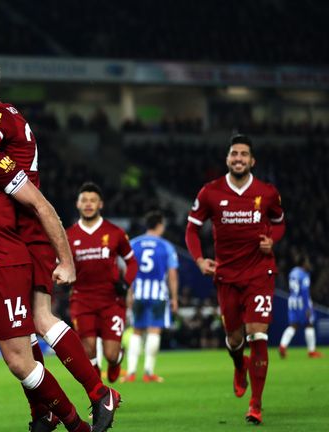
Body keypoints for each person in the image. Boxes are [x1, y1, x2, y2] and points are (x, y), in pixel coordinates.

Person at [0, 57, 118, 432]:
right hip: (4, 230)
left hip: (25, 228)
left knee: (40, 319)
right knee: (23, 335)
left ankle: (98, 392)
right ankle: (45, 411)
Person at [185, 133, 285, 425]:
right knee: (234, 337)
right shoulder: (210, 192)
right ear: (227, 159)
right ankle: (238, 365)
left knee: (258, 334)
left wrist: (272, 241)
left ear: (252, 160)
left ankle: (256, 404)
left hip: (260, 273)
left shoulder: (267, 192)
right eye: (234, 154)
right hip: (226, 275)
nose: (238, 158)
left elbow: (279, 223)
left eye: (244, 154)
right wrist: (200, 259)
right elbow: (192, 230)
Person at [66, 182, 138, 385]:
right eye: (84, 200)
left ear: (101, 205)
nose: (88, 204)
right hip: (82, 299)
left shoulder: (115, 232)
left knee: (111, 354)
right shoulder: (68, 235)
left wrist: (126, 282)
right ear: (78, 204)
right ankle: (100, 396)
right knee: (87, 349)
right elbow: (60, 264)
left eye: (93, 200)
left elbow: (132, 262)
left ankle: (116, 362)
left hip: (111, 300)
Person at [123, 211, 179, 383]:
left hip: (138, 292)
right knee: (155, 330)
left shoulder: (133, 244)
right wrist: (174, 297)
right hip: (158, 294)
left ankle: (131, 372)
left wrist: (128, 294)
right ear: (160, 225)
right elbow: (172, 274)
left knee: (137, 331)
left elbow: (127, 271)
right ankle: (148, 372)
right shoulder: (166, 246)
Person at [279, 253, 322, 359]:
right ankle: (311, 351)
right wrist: (307, 307)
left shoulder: (292, 272)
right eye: (307, 262)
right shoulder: (304, 274)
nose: (309, 264)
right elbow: (304, 292)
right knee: (309, 323)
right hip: (302, 302)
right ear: (303, 264)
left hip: (292, 301)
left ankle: (282, 346)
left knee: (293, 325)